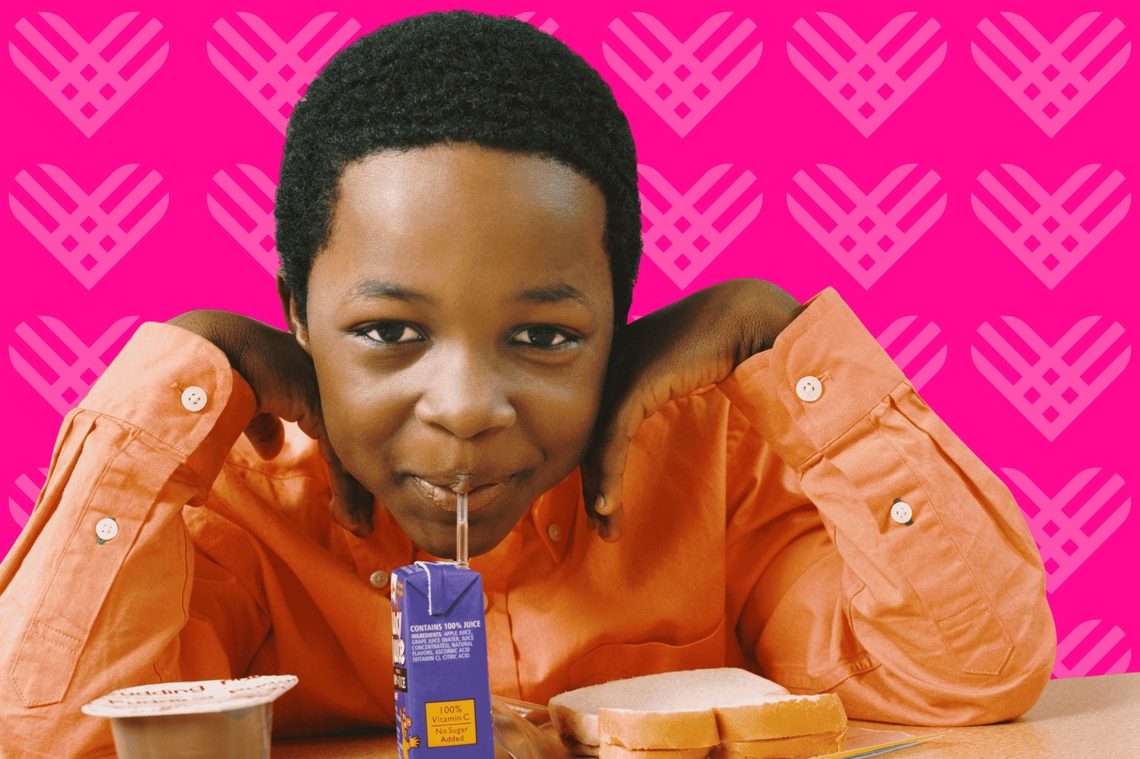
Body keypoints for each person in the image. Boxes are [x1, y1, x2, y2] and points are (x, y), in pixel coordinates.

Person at [0, 11, 1055, 757]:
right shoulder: (233, 508)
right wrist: (183, 379)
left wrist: (786, 346)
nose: (464, 406)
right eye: (388, 330)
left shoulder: (720, 462)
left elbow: (969, 675)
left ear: (621, 322)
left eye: (546, 337)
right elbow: (45, 735)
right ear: (294, 314)